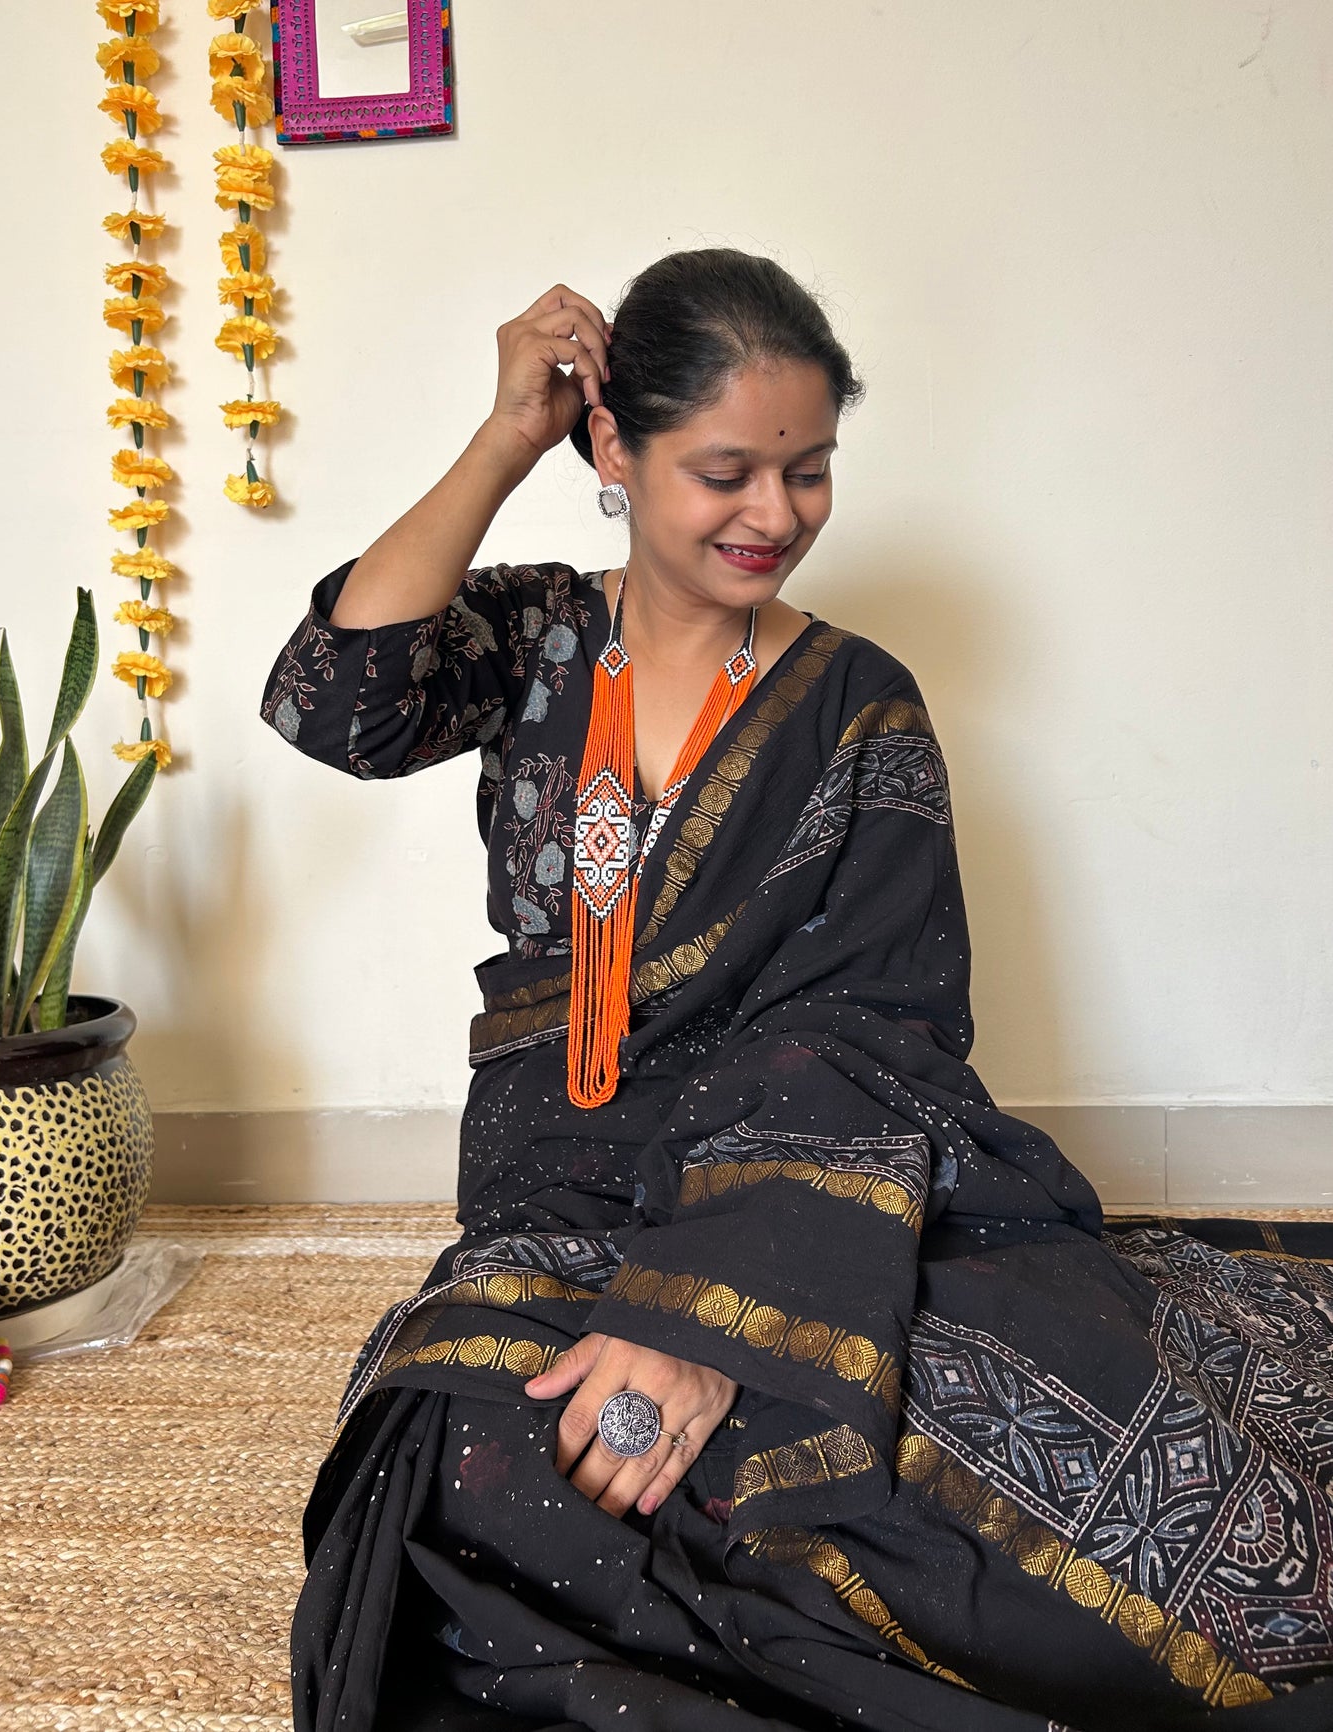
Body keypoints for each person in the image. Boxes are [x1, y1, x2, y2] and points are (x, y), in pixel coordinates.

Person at [263, 250, 1333, 1732]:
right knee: (468, 1445)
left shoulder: (855, 699)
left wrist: (715, 1316)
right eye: (725, 473)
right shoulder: (530, 641)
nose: (777, 516)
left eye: (811, 472)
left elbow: (879, 1022)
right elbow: (334, 706)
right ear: (615, 454)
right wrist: (503, 437)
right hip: (556, 1189)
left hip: (796, 1184)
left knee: (931, 1437)